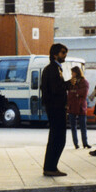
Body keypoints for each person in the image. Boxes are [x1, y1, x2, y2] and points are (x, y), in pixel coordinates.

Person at [40, 43, 69, 176]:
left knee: (56, 138)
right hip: (56, 108)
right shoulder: (53, 69)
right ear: (55, 54)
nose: (65, 55)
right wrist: (69, 84)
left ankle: (51, 167)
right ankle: (51, 167)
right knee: (58, 138)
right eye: (63, 52)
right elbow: (56, 89)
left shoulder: (54, 68)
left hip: (54, 107)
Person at [66, 66, 90, 149]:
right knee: (73, 127)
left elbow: (84, 93)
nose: (71, 74)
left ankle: (85, 143)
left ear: (76, 73)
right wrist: (76, 93)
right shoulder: (71, 82)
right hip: (72, 107)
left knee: (83, 126)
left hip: (80, 107)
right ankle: (76, 143)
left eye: (72, 72)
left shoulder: (84, 82)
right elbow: (69, 94)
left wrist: (75, 92)